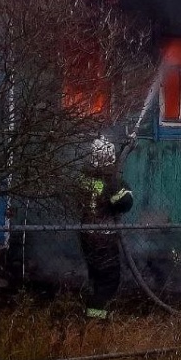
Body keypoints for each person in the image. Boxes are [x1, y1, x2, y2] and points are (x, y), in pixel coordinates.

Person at [79, 137, 134, 320]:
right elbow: (125, 203)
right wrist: (124, 188)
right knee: (109, 280)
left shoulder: (84, 180)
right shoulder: (111, 184)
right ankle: (95, 320)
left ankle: (91, 312)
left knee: (95, 277)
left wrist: (125, 149)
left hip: (87, 235)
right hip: (104, 238)